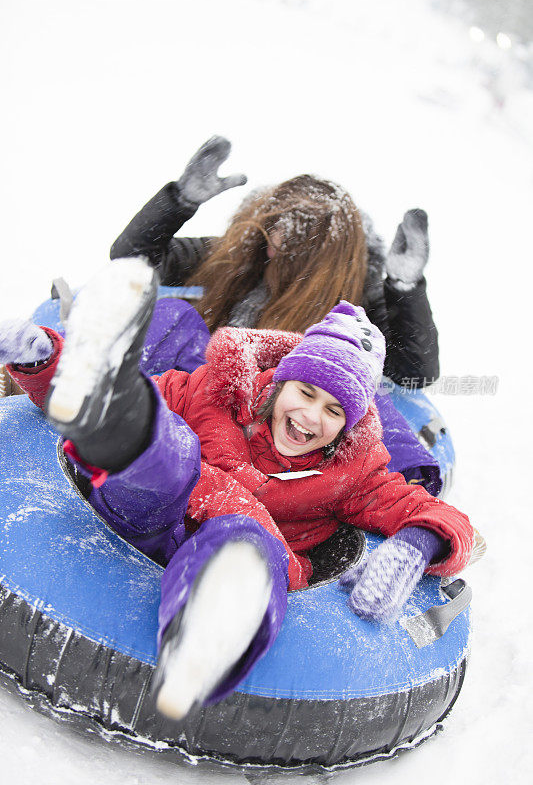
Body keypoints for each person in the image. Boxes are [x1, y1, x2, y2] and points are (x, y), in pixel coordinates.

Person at [0, 258, 473, 722]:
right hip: (150, 510)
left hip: (240, 546)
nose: (311, 417)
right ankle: (128, 446)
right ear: (282, 379)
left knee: (249, 545)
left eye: (334, 411)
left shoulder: (354, 474)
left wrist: (418, 542)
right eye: (305, 393)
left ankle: (212, 634)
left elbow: (438, 515)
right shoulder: (212, 393)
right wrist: (44, 362)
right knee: (170, 452)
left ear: (349, 423)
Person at [110, 136, 439, 387]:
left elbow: (414, 372)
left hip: (274, 420)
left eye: (287, 254)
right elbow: (132, 258)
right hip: (195, 385)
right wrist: (179, 202)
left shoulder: (356, 294)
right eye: (272, 233)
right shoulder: (248, 255)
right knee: (173, 316)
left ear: (318, 265)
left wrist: (404, 287)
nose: (271, 251)